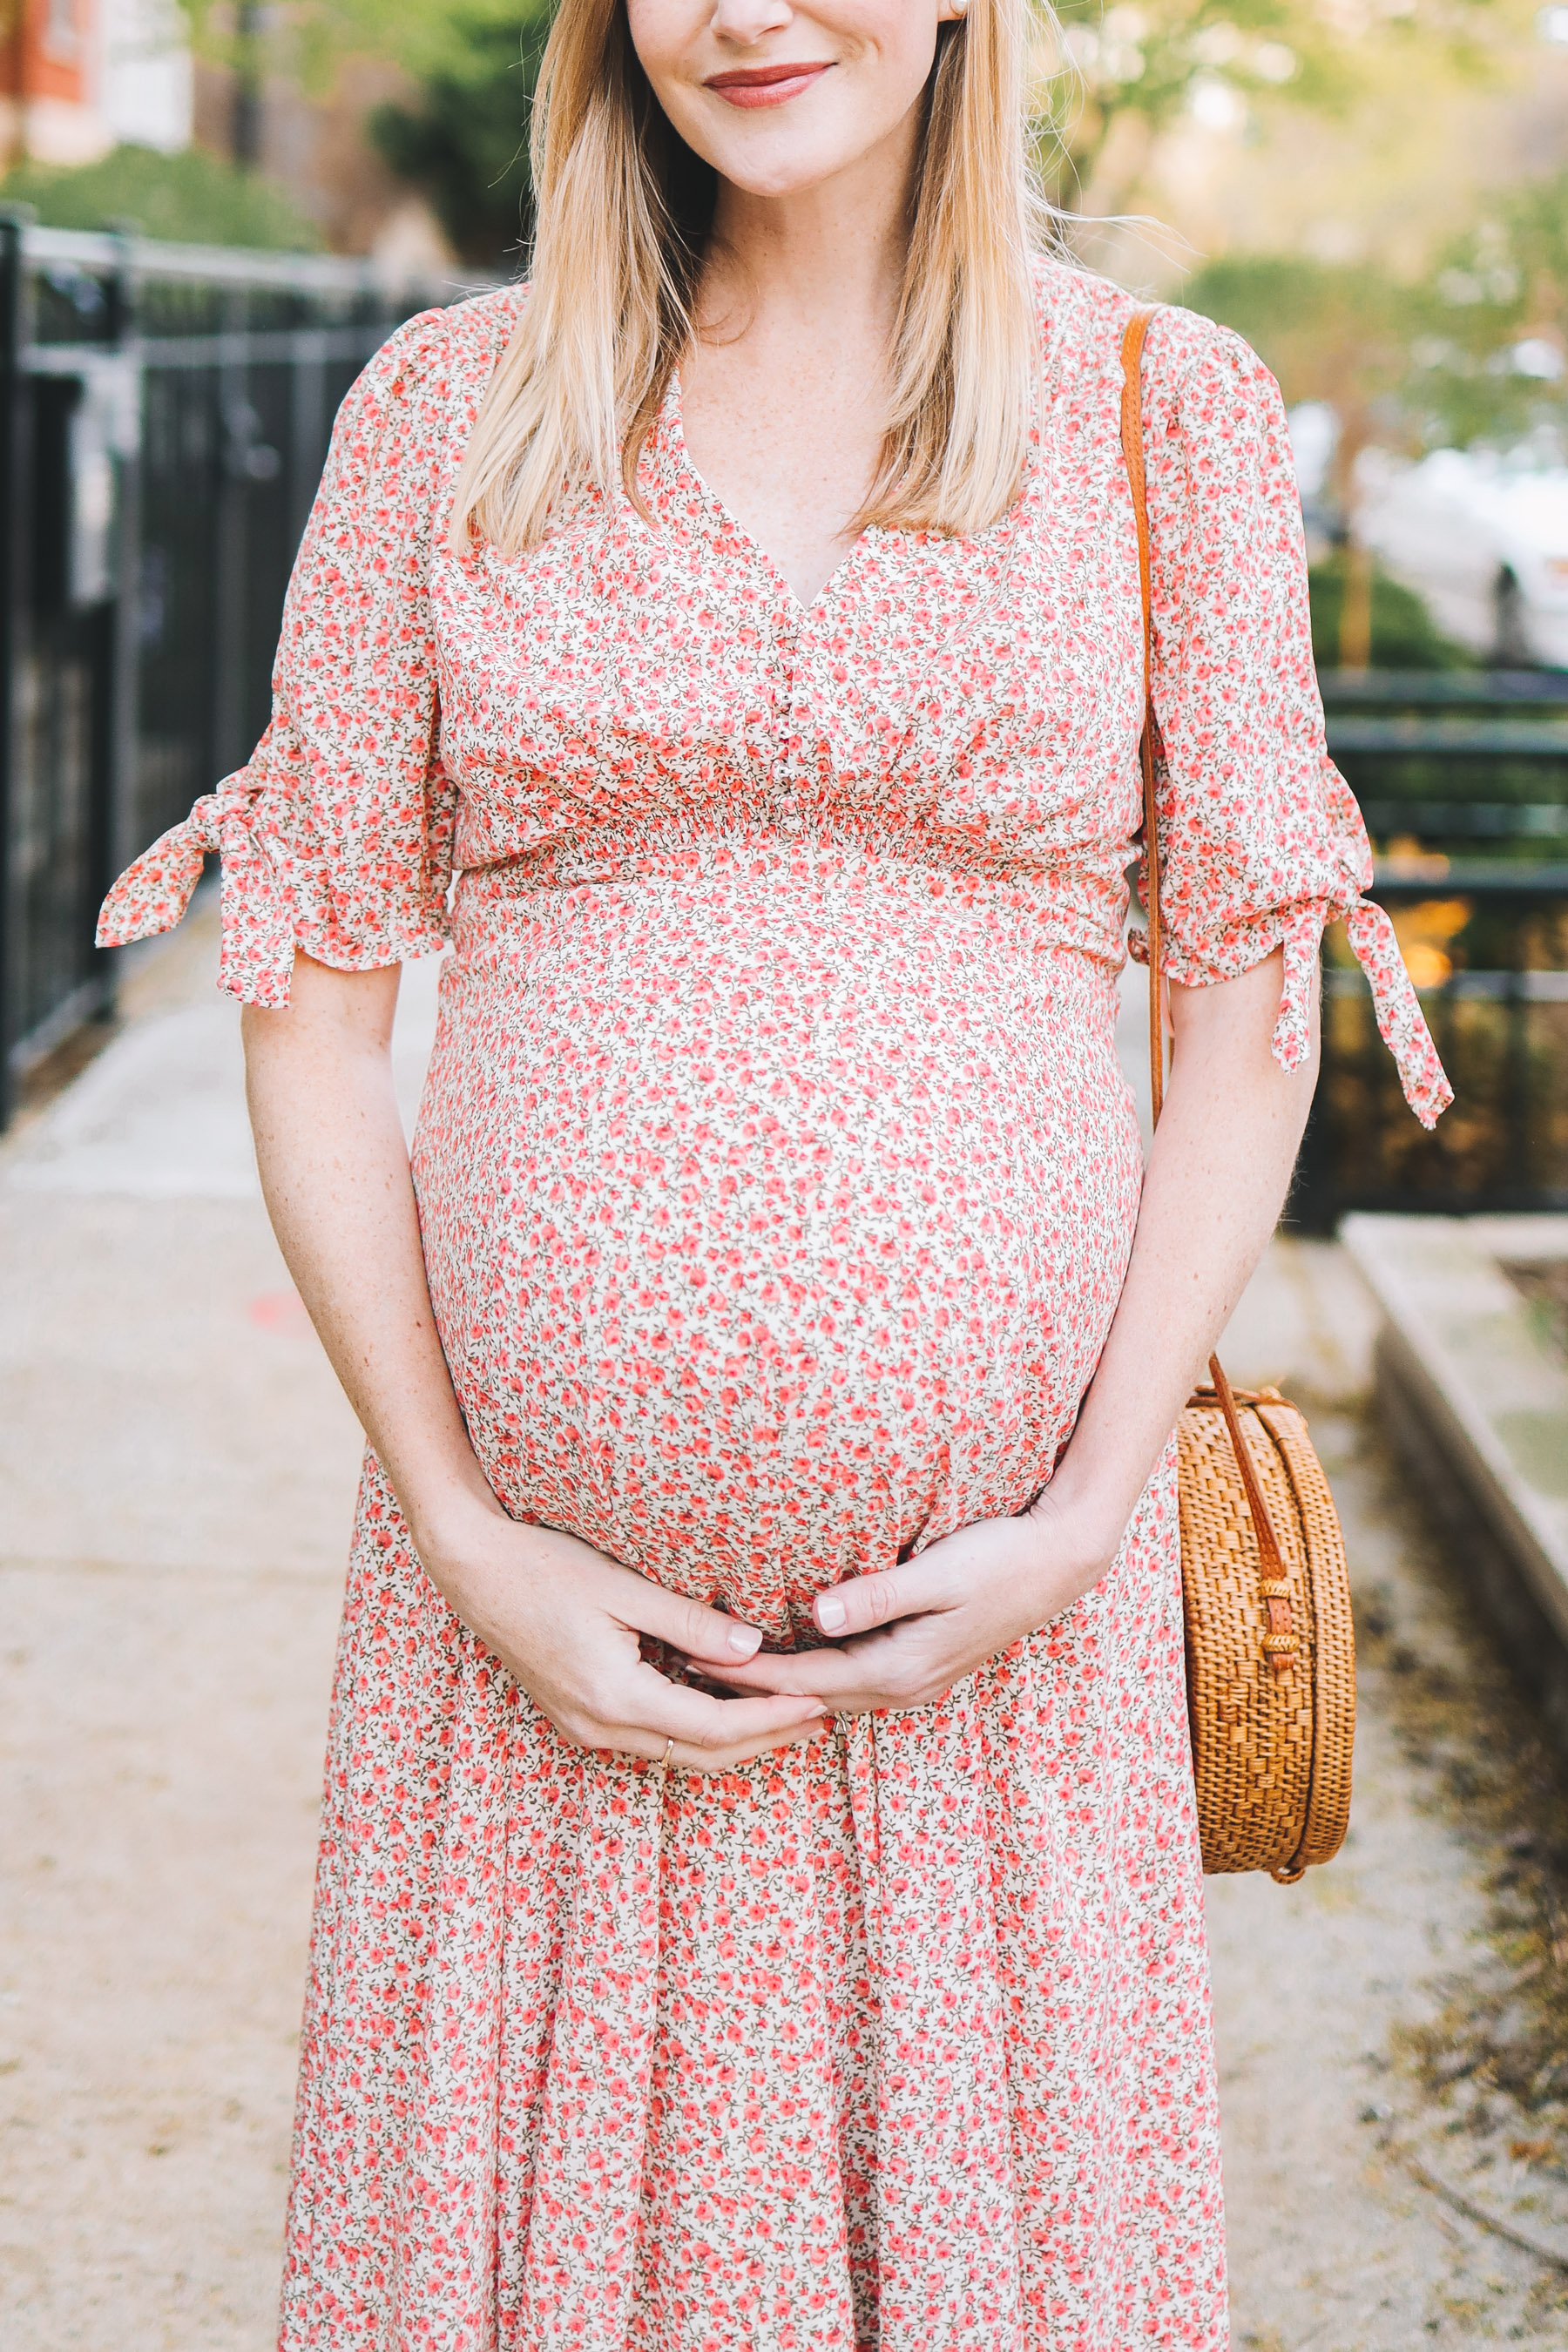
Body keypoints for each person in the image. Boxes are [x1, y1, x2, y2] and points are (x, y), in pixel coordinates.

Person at [98, 0, 1451, 2342]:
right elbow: (307, 1005)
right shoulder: (446, 409)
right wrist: (461, 1524)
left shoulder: (1164, 409)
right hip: (527, 1660)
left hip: (991, 1665)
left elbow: (1244, 1019)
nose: (742, 10)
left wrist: (1090, 1515)